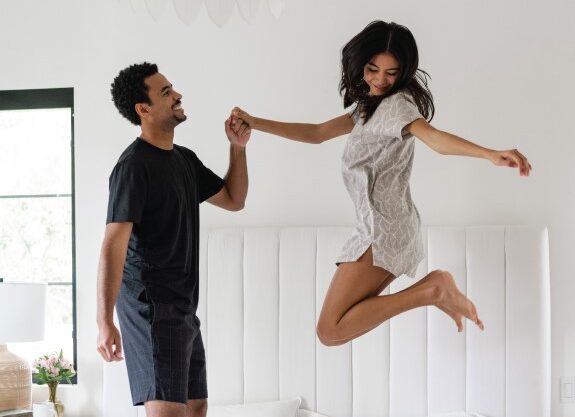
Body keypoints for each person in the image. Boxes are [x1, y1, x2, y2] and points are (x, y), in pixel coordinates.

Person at [230, 21, 532, 346]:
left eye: (391, 72)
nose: (380, 80)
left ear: (403, 72)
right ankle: (433, 289)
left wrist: (488, 154)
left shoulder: (397, 107)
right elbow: (317, 133)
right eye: (373, 69)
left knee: (329, 329)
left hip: (384, 229)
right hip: (379, 227)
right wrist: (255, 123)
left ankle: (434, 288)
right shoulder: (367, 109)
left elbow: (434, 138)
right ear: (360, 64)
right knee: (333, 329)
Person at [96, 62, 251, 417]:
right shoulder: (133, 167)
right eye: (165, 92)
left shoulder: (183, 160)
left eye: (172, 88)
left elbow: (234, 199)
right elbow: (112, 245)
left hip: (182, 308)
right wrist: (104, 321)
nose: (177, 95)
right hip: (151, 307)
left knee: (197, 407)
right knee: (169, 412)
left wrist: (237, 148)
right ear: (143, 109)